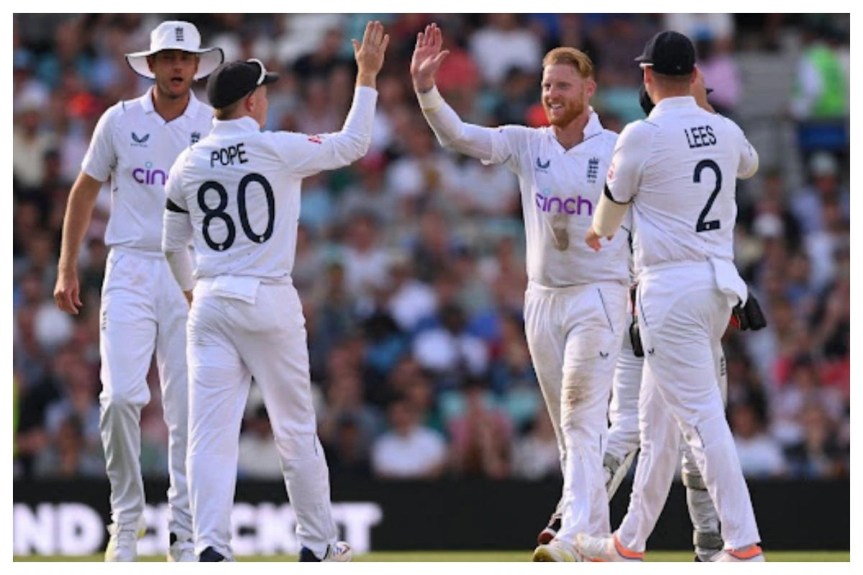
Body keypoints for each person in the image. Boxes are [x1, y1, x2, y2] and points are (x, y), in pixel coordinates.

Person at [161, 21, 389, 562]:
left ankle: (210, 549)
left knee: (209, 437)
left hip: (211, 299)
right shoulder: (276, 149)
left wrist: (193, 293)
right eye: (264, 92)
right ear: (250, 102)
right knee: (295, 429)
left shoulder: (187, 162)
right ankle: (315, 545)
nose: (267, 99)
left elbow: (171, 246)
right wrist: (368, 77)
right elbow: (355, 143)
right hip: (266, 297)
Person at [410, 22, 629, 562]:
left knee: (582, 416)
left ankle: (569, 531)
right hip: (543, 300)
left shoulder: (619, 149)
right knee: (568, 429)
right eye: (546, 86)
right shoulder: (529, 145)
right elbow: (458, 136)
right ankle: (594, 541)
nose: (552, 95)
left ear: (588, 90)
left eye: (562, 86)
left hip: (599, 294)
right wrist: (425, 90)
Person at [578, 30, 764, 562]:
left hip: (669, 289)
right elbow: (747, 163)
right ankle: (628, 542)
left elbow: (611, 212)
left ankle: (743, 545)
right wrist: (703, 107)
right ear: (696, 76)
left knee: (703, 419)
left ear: (646, 75)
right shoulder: (725, 130)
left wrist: (597, 231)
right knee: (658, 424)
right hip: (717, 287)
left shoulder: (640, 134)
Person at [53, 20, 224, 562]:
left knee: (186, 410)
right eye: (168, 58)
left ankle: (184, 531)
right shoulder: (120, 120)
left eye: (185, 59)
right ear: (150, 64)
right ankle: (126, 522)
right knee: (121, 396)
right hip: (128, 266)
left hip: (190, 275)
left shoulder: (215, 124)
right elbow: (84, 191)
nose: (177, 67)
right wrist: (67, 267)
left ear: (197, 67)